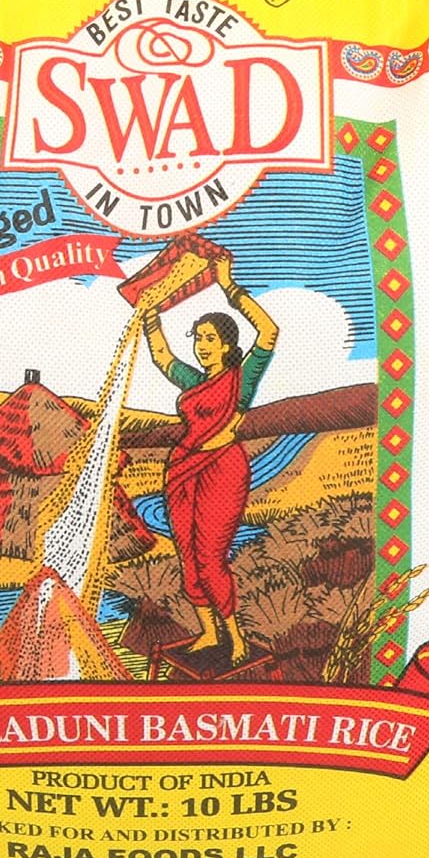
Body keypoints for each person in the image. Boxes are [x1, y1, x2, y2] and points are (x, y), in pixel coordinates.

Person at [142, 254, 278, 666]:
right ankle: (208, 632)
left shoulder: (243, 377)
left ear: (227, 344)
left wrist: (228, 285)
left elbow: (269, 331)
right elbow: (162, 358)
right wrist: (150, 318)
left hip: (222, 469)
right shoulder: (195, 381)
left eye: (209, 339)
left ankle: (235, 638)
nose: (201, 346)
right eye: (198, 339)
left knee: (211, 558)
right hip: (184, 471)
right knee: (188, 556)